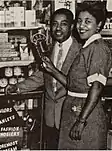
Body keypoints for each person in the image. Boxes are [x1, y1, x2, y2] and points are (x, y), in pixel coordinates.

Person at [5, 8, 80, 149]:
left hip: (70, 115)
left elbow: (78, 85)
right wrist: (18, 87)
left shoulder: (80, 51)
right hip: (50, 117)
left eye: (63, 24)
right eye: (54, 24)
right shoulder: (49, 48)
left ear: (71, 26)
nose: (58, 28)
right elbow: (42, 76)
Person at [42, 1, 111, 149]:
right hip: (73, 112)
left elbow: (97, 87)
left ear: (99, 25)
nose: (81, 26)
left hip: (85, 115)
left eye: (88, 22)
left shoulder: (98, 48)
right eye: (79, 21)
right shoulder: (87, 47)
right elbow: (72, 84)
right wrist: (52, 69)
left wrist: (81, 121)